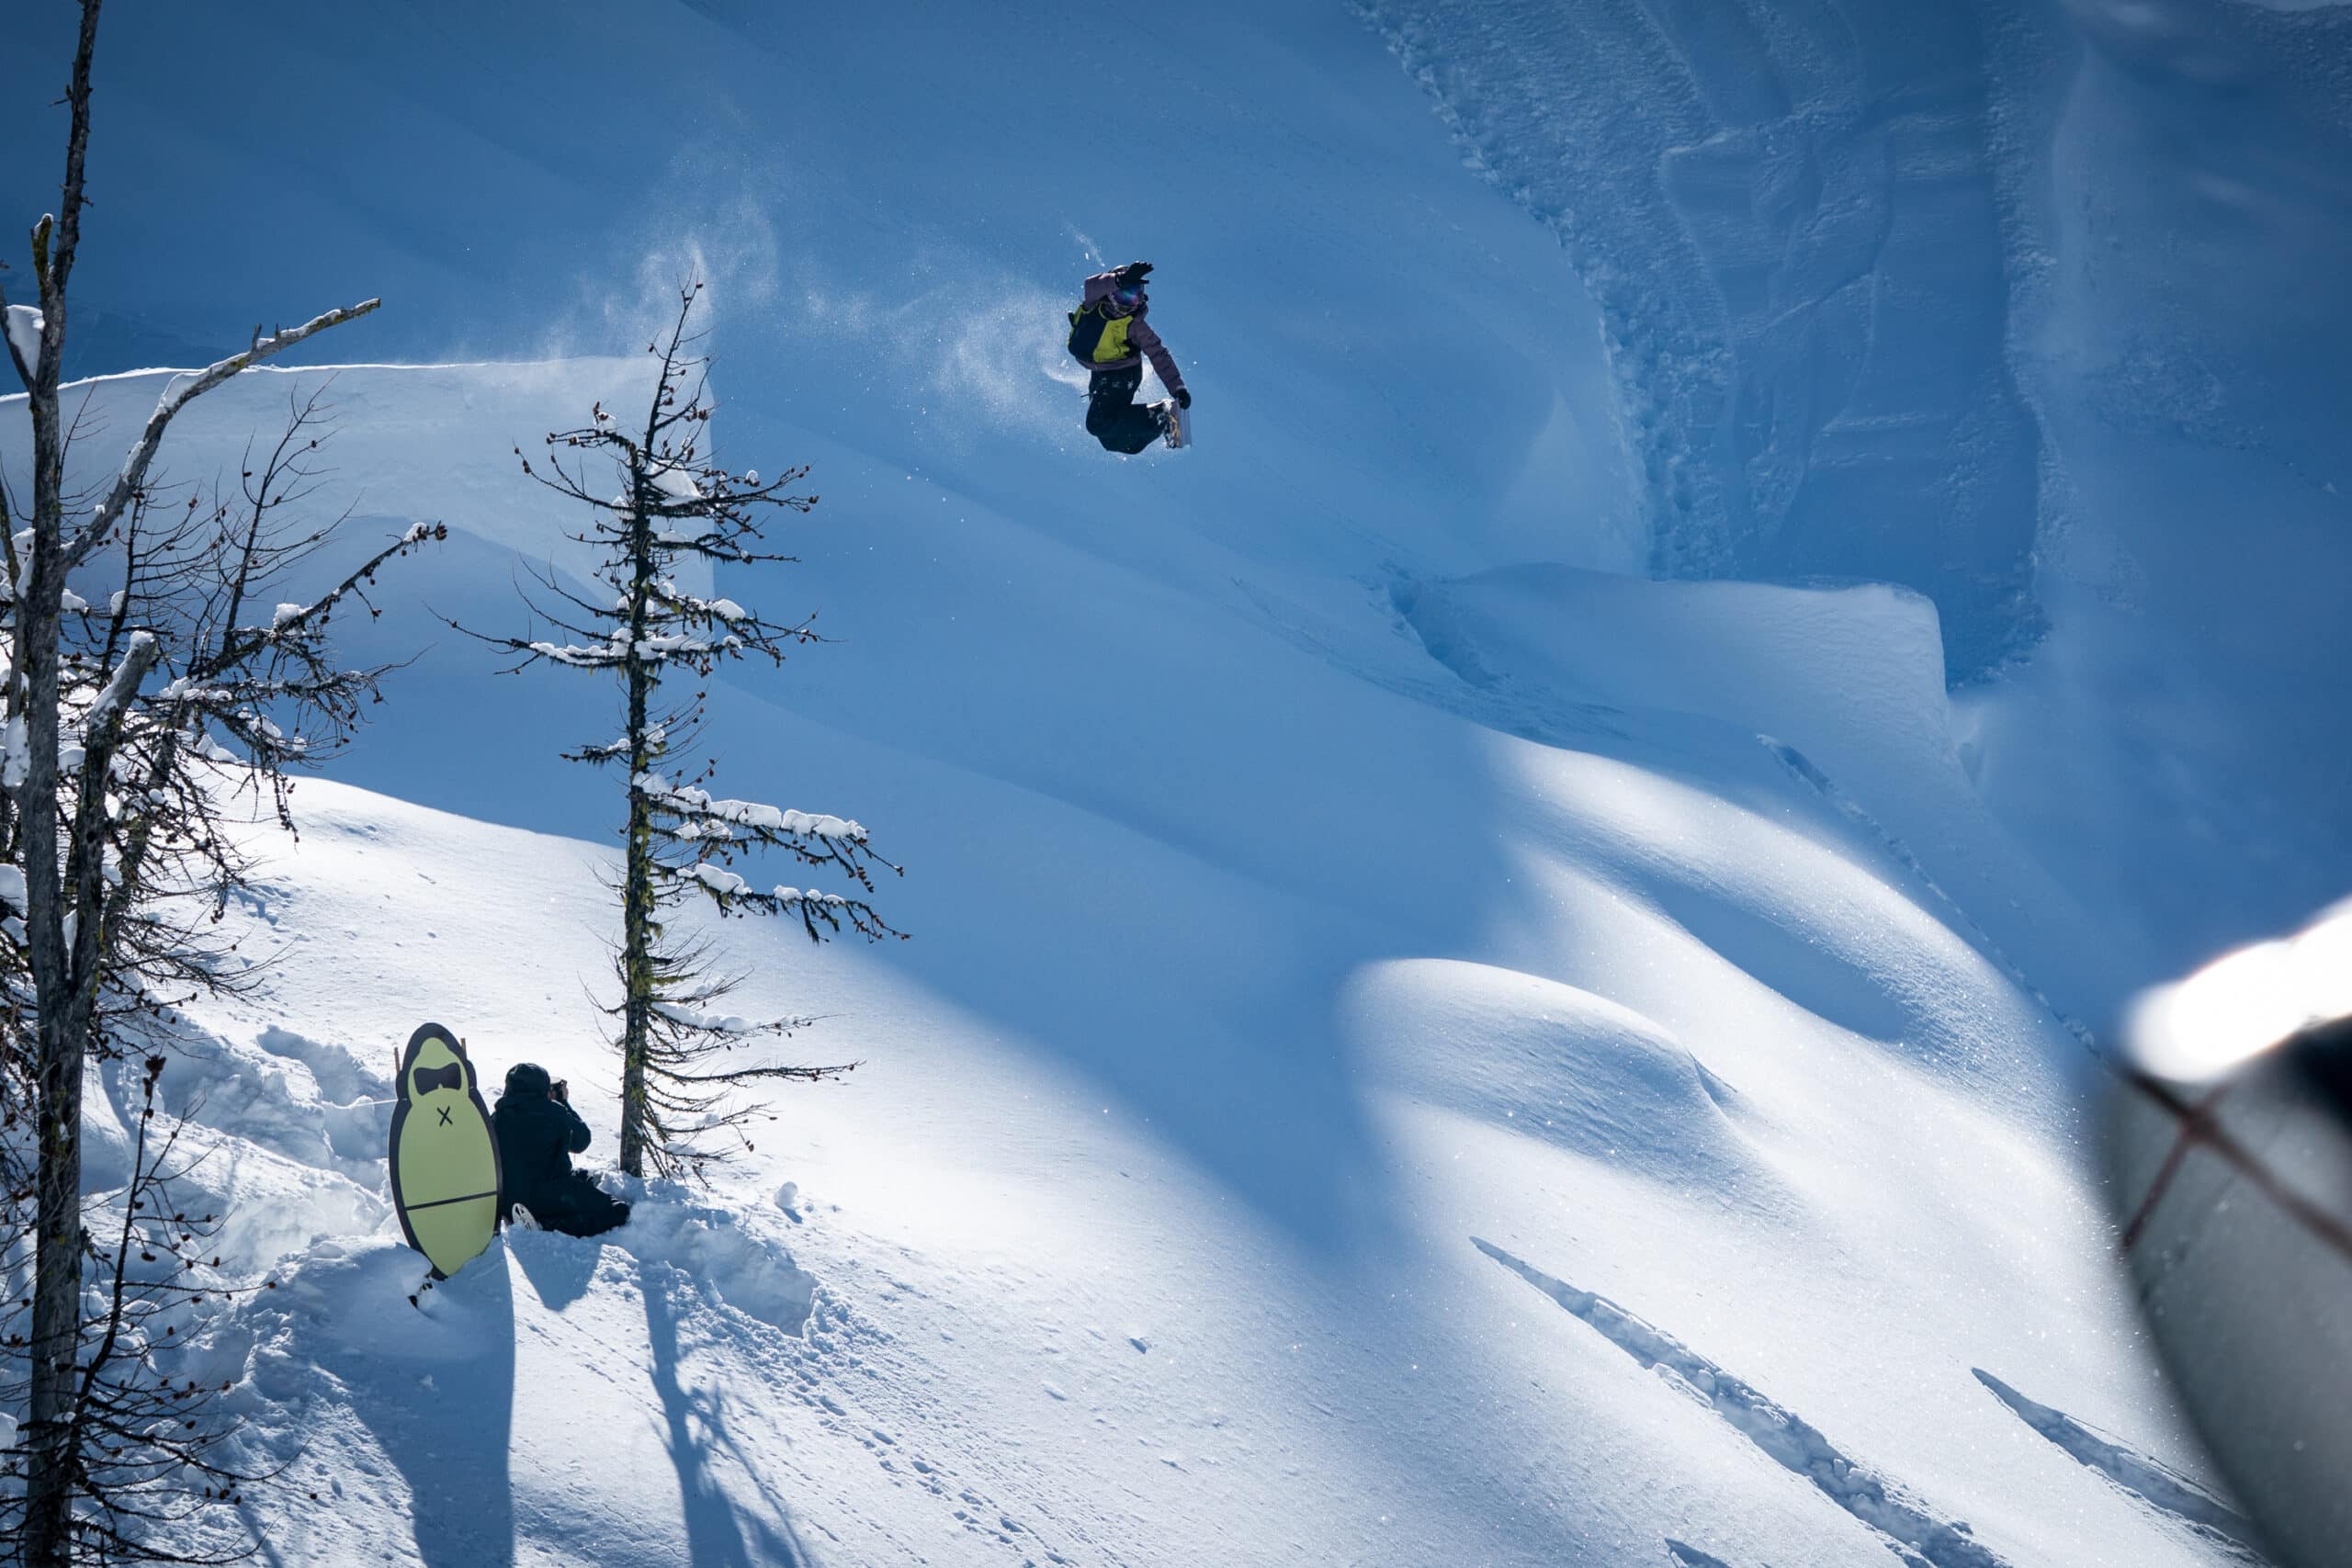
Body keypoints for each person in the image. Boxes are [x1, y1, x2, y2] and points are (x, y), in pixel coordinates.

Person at [492, 1062, 630, 1237]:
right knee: (618, 1210)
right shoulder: (554, 1113)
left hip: (509, 1199)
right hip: (547, 1195)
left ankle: (536, 1218)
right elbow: (581, 1141)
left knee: (582, 1177)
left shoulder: (496, 1118)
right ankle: (548, 1226)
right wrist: (563, 1102)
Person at [1069, 260, 1190, 454]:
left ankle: (1165, 414)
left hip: (1122, 375)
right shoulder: (1093, 303)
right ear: (1110, 293)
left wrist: (1178, 388)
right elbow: (1092, 284)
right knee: (1111, 440)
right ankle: (1155, 423)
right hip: (1100, 373)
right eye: (1124, 295)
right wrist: (1120, 279)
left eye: (1134, 298)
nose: (1128, 304)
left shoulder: (1135, 325)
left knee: (1097, 424)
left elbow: (1159, 354)